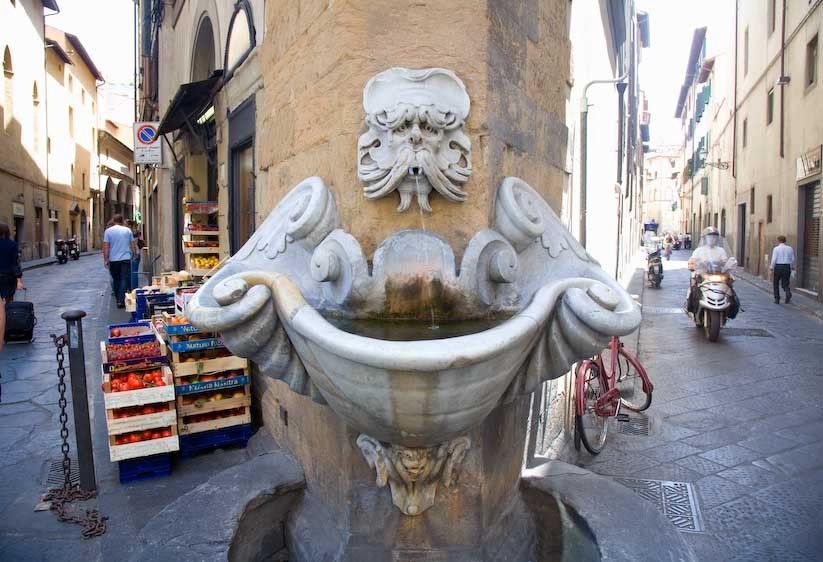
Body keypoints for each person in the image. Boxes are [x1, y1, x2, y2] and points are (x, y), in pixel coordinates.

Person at [103, 214, 137, 308]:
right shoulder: (127, 230)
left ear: (113, 220)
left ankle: (119, 298)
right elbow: (133, 244)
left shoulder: (108, 231)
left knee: (116, 279)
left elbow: (106, 246)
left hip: (113, 259)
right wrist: (134, 254)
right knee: (124, 278)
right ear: (122, 221)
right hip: (125, 258)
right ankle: (121, 300)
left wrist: (106, 259)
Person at [0, 223, 24, 302]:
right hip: (8, 276)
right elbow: (15, 263)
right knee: (9, 300)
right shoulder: (12, 244)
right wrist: (19, 279)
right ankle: (8, 313)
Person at [769, 235, 795, 304]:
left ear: (778, 240)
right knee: (785, 283)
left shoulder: (776, 249)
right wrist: (792, 267)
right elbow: (792, 259)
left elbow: (774, 259)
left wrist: (771, 267)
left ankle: (777, 299)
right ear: (785, 241)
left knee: (776, 283)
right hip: (787, 267)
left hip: (778, 267)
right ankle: (788, 292)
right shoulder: (790, 248)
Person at [128, 221, 145, 290]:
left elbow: (132, 245)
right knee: (134, 272)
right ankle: (134, 288)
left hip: (132, 254)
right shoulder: (137, 233)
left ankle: (132, 288)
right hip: (136, 253)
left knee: (132, 273)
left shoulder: (129, 234)